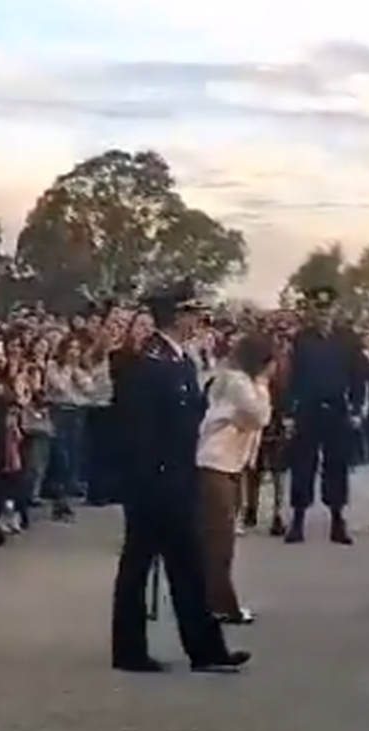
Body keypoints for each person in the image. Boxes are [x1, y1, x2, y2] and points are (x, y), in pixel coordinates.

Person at [110, 280, 250, 674]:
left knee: (188, 565)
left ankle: (205, 648)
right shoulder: (147, 363)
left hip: (179, 477)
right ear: (176, 315)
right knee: (138, 566)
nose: (197, 320)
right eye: (192, 313)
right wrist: (148, 478)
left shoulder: (180, 361)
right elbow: (136, 429)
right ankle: (129, 650)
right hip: (152, 483)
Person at [195, 333, 274, 624]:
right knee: (219, 540)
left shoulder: (238, 381)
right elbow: (260, 415)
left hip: (229, 465)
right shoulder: (239, 382)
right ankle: (220, 604)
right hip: (216, 463)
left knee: (221, 538)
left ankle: (215, 600)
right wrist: (263, 384)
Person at [283, 285, 366, 545]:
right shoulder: (301, 339)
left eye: (328, 309)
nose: (324, 314)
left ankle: (337, 521)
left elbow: (358, 376)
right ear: (312, 311)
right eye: (319, 309)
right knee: (302, 465)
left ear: (335, 309)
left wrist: (356, 408)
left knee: (337, 465)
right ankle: (297, 521)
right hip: (308, 410)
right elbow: (292, 377)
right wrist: (288, 413)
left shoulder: (349, 339)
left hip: (338, 410)